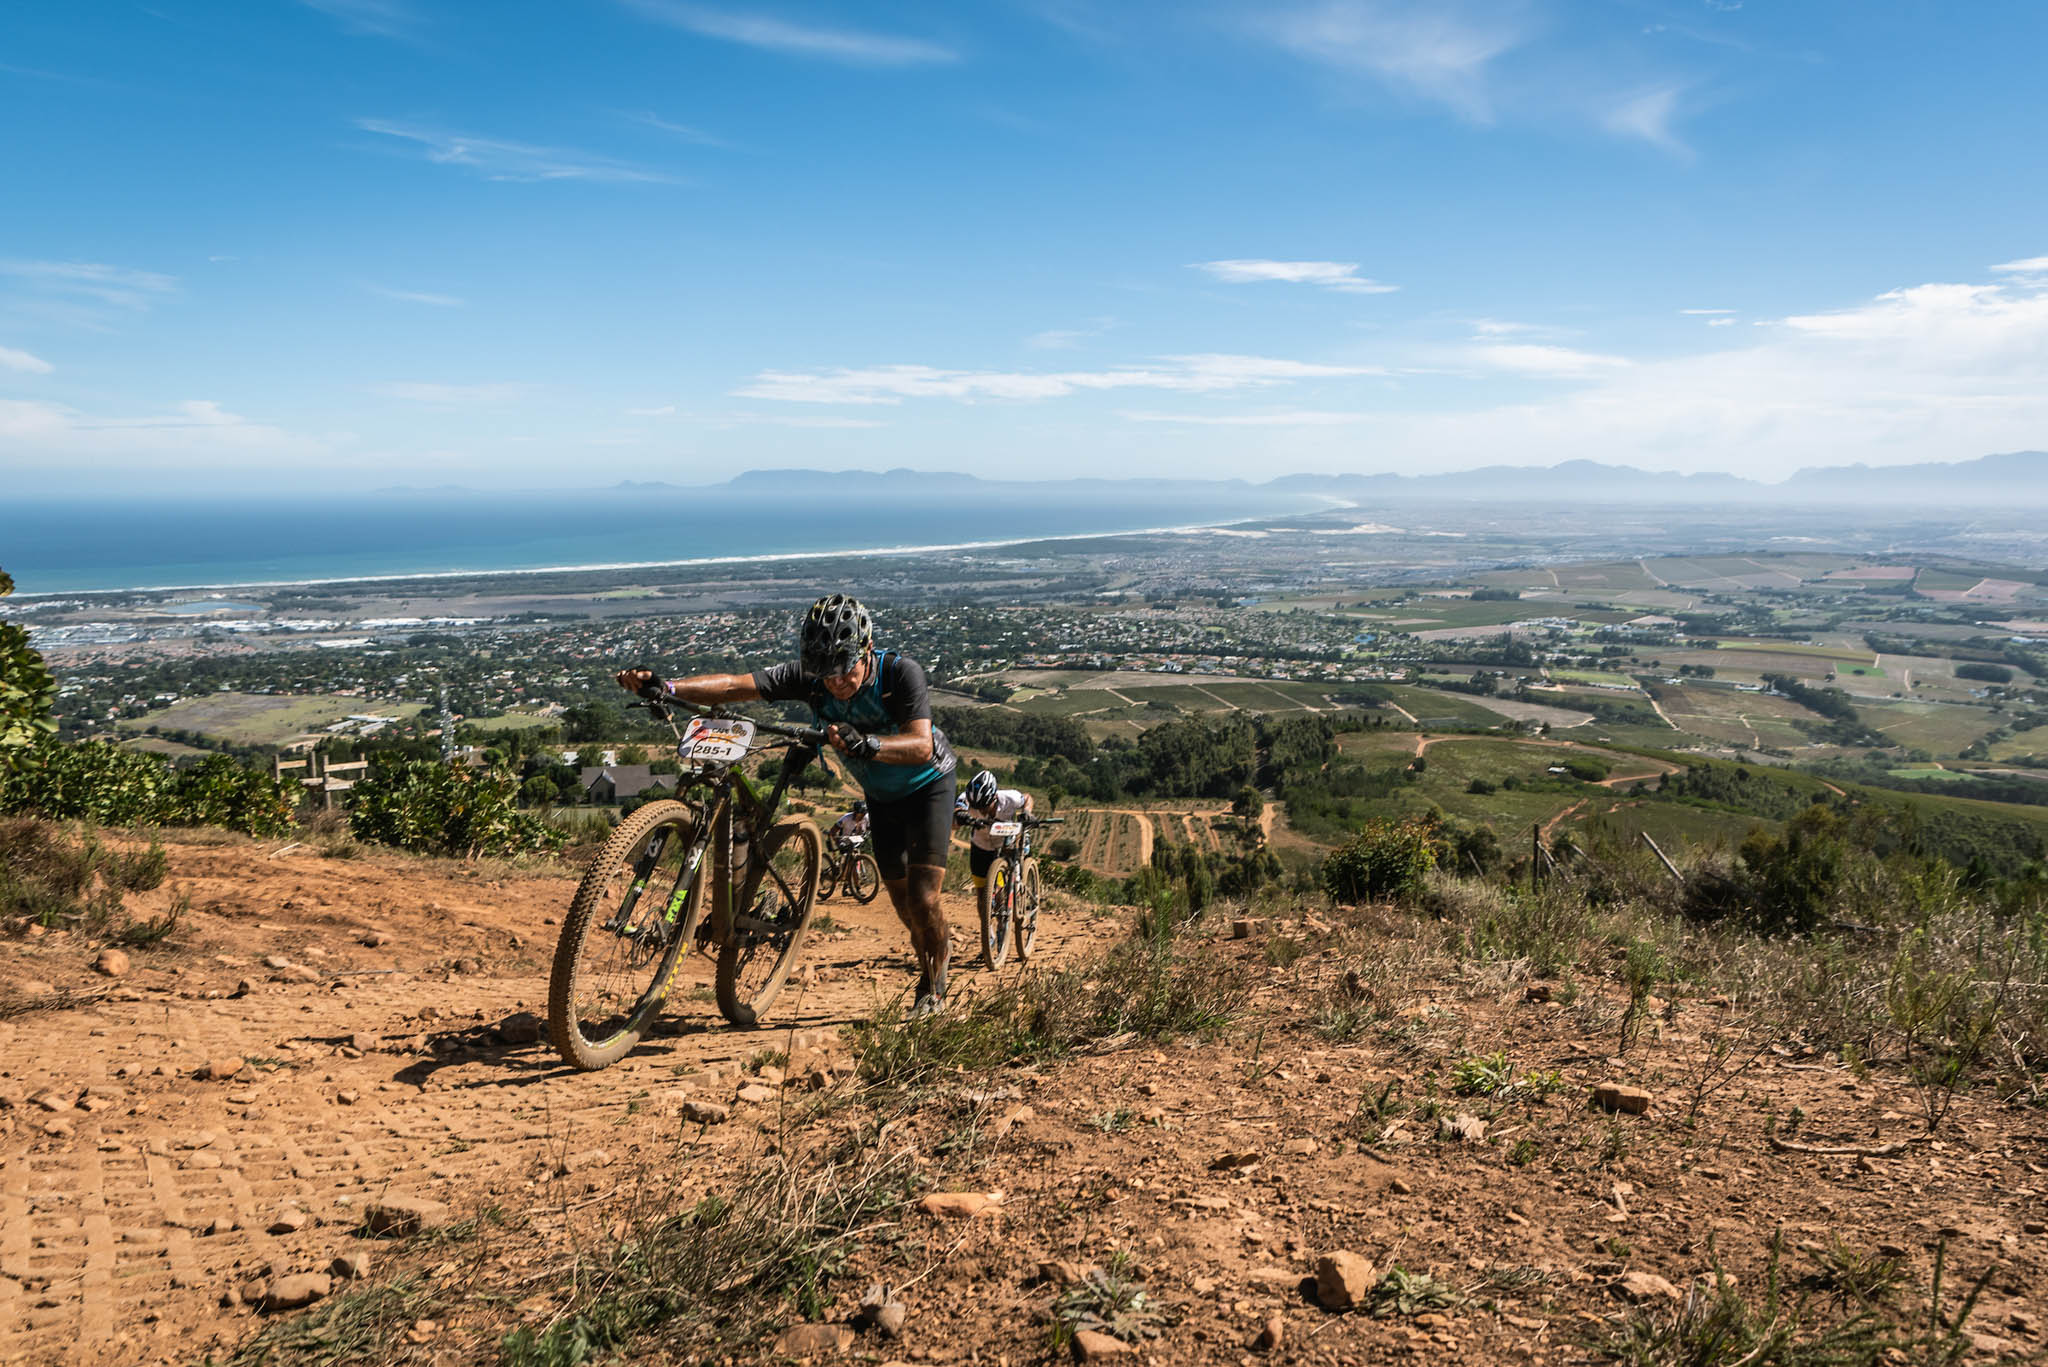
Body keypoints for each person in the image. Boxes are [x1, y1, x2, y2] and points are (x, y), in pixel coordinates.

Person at [616, 594, 959, 1016]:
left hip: (928, 786)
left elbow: (922, 745)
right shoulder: (812, 676)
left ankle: (935, 986)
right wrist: (668, 687)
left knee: (925, 900)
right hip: (882, 798)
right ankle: (930, 950)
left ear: (866, 650)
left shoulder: (900, 674)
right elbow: (734, 686)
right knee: (906, 908)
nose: (835, 682)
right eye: (825, 673)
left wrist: (867, 742)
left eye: (844, 669)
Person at [954, 768, 1034, 967]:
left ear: (994, 796)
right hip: (981, 847)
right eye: (977, 807)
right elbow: (955, 818)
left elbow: (1027, 798)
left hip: (1003, 844)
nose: (981, 811)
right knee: (982, 895)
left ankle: (1019, 886)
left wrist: (1027, 812)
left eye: (984, 806)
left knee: (999, 892)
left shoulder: (1009, 798)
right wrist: (962, 817)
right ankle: (988, 936)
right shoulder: (967, 799)